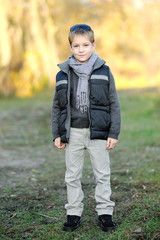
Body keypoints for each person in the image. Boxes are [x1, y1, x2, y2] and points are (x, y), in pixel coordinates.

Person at [52, 24, 121, 232]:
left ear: (93, 45)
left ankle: (105, 213)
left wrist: (113, 132)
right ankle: (73, 213)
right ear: (70, 47)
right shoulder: (63, 74)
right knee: (72, 175)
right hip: (72, 132)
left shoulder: (104, 71)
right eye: (76, 46)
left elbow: (113, 104)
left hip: (98, 132)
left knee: (102, 174)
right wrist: (57, 133)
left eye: (85, 45)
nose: (81, 50)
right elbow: (57, 106)